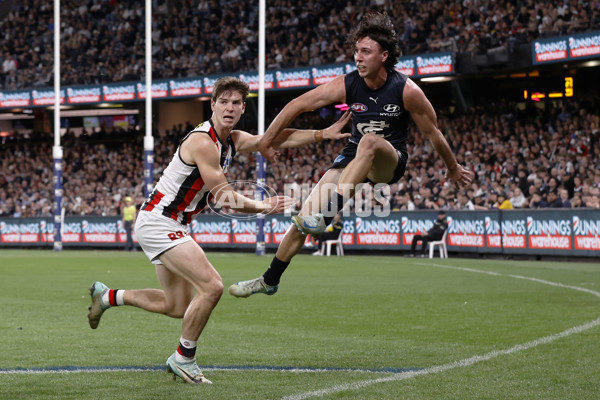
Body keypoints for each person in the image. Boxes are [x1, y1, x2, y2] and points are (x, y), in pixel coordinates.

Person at [86, 77, 350, 384]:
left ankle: (108, 297)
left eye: (236, 103)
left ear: (241, 109)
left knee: (176, 306)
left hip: (167, 222)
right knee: (212, 286)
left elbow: (272, 139)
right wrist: (265, 205)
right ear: (212, 105)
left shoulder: (232, 140)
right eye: (223, 101)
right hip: (160, 221)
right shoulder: (203, 141)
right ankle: (184, 358)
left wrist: (321, 134)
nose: (230, 107)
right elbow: (225, 197)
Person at [229, 12, 473, 298]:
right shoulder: (348, 83)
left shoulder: (407, 91)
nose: (357, 57)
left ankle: (328, 214)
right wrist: (266, 141)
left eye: (365, 52)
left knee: (369, 141)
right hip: (353, 157)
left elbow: (434, 134)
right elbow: (298, 104)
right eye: (356, 51)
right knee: (302, 221)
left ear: (383, 55)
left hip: (388, 160)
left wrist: (453, 166)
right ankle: (269, 279)